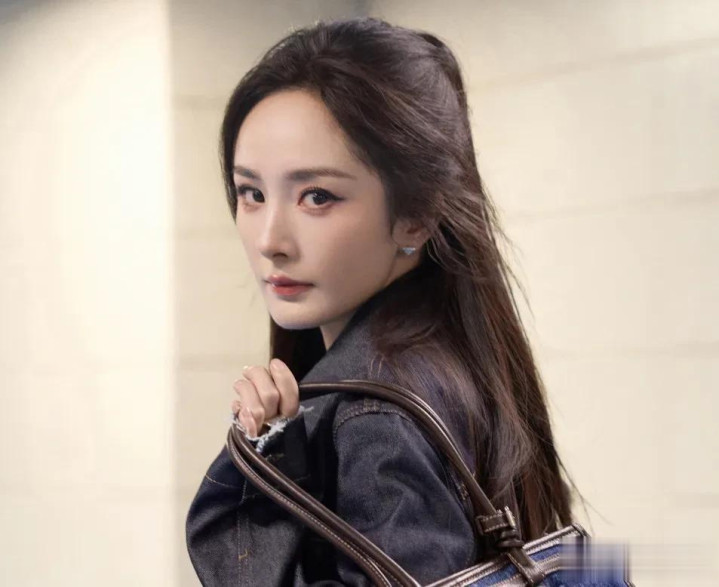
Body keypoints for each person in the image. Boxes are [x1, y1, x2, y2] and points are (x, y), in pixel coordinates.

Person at [186, 16, 575, 586]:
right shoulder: (450, 362)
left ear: (416, 215)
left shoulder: (376, 414)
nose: (270, 240)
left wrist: (259, 468)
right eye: (252, 193)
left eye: (317, 196)